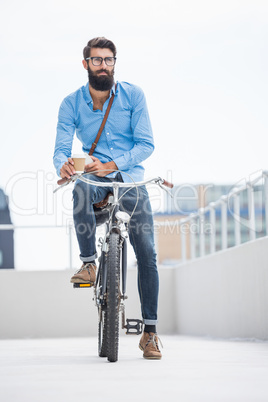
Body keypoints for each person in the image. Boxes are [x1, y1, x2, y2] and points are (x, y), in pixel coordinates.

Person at [53, 37, 162, 359]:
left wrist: (113, 164)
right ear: (86, 64)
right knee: (80, 189)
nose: (104, 65)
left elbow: (145, 144)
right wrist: (63, 162)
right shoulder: (71, 103)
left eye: (109, 60)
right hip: (93, 177)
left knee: (148, 253)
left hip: (129, 177)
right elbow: (61, 145)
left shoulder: (133, 95)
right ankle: (88, 264)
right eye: (97, 60)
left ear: (115, 63)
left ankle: (151, 333)